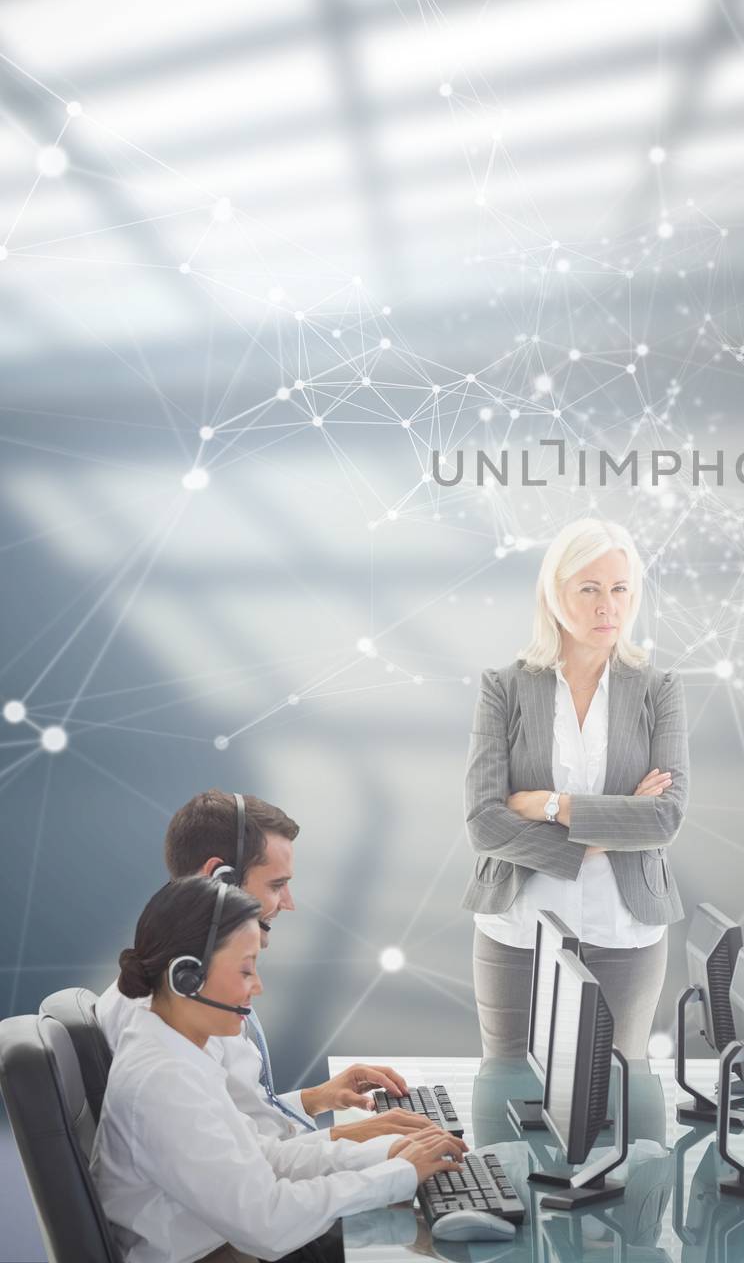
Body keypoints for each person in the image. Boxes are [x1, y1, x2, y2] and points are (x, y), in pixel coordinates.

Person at [91, 876, 466, 1263]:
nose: (258, 986)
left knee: (411, 1231)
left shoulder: (178, 1050)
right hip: (216, 1254)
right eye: (245, 970)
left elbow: (263, 1158)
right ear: (186, 977)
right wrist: (396, 1174)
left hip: (224, 1242)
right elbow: (267, 1223)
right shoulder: (163, 1082)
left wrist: (386, 1154)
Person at [464, 517, 688, 1060]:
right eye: (588, 589)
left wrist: (550, 806)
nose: (606, 605)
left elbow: (664, 819)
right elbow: (485, 822)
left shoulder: (659, 689)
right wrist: (605, 830)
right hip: (517, 929)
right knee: (510, 1086)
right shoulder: (506, 687)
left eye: (619, 589)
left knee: (617, 1097)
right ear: (554, 594)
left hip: (624, 927)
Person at [97, 789, 428, 1147]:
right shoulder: (173, 1010)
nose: (289, 904)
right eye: (277, 885)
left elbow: (240, 1119)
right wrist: (354, 1138)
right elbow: (242, 1165)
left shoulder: (190, 982)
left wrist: (317, 1098)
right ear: (218, 879)